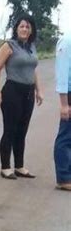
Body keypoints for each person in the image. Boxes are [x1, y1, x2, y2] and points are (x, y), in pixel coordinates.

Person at [0, 14, 43, 179]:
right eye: (22, 26)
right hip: (12, 91)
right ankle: (5, 167)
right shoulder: (9, 46)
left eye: (28, 27)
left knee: (22, 131)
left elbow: (33, 69)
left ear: (31, 30)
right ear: (16, 29)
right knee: (10, 130)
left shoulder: (31, 46)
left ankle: (19, 166)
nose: (25, 29)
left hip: (28, 93)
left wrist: (38, 90)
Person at [53, 32, 71, 192]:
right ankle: (64, 178)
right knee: (66, 136)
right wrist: (64, 104)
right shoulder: (66, 41)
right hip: (69, 95)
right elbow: (62, 73)